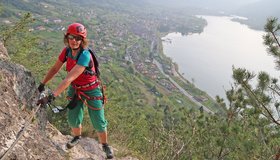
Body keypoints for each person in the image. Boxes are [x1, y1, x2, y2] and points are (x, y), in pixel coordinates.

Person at [37, 23, 113, 159]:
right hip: (76, 88)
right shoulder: (66, 52)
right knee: (73, 118)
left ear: (82, 40)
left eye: (78, 38)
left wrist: (51, 96)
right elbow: (55, 69)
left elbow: (68, 79)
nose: (74, 41)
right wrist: (43, 83)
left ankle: (105, 145)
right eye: (72, 37)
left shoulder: (85, 55)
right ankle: (77, 137)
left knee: (98, 121)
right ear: (67, 37)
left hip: (92, 90)